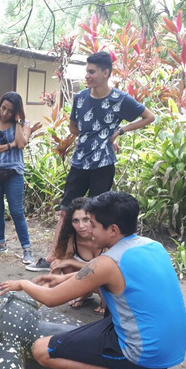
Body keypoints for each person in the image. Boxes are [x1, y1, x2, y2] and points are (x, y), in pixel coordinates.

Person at [0, 192, 186, 369]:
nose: (88, 229)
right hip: (171, 347)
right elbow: (110, 284)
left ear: (113, 230)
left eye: (94, 224)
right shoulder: (152, 245)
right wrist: (61, 279)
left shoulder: (106, 263)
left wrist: (23, 283)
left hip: (145, 355)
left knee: (41, 351)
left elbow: (51, 299)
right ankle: (130, 368)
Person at [28, 51, 155, 272]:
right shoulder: (80, 97)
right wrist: (92, 136)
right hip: (79, 162)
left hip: (103, 164)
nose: (87, 76)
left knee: (97, 215)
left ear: (106, 73)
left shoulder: (120, 99)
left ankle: (96, 264)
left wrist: (120, 131)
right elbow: (74, 128)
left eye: (91, 71)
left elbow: (149, 117)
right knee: (66, 211)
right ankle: (52, 257)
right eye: (86, 71)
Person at [0, 92, 35, 265]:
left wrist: (18, 122)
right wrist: (9, 145)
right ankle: (0, 243)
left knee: (17, 212)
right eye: (3, 108)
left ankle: (27, 249)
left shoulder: (24, 124)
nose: (4, 113)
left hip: (14, 173)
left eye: (10, 111)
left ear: (17, 112)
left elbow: (20, 143)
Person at [50, 196, 105, 312]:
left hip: (107, 282)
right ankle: (84, 294)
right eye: (76, 221)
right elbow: (57, 266)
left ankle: (106, 302)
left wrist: (71, 261)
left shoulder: (105, 237)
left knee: (102, 276)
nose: (81, 226)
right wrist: (49, 293)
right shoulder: (71, 239)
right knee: (64, 265)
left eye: (86, 219)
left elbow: (104, 270)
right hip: (88, 280)